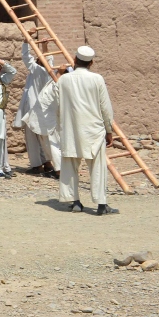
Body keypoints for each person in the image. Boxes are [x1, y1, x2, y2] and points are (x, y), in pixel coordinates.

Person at [42, 46, 118, 215]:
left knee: (69, 166)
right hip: (93, 129)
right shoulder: (97, 79)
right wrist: (109, 130)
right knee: (97, 167)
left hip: (71, 128)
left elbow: (55, 102)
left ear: (75, 60)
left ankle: (75, 202)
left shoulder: (64, 80)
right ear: (91, 62)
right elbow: (105, 108)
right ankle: (101, 204)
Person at [15, 32, 62, 177]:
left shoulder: (37, 70)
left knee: (34, 139)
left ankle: (38, 165)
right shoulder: (50, 73)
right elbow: (48, 60)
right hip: (45, 110)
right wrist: (45, 46)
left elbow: (26, 57)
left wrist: (26, 41)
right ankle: (48, 163)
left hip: (34, 110)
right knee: (46, 139)